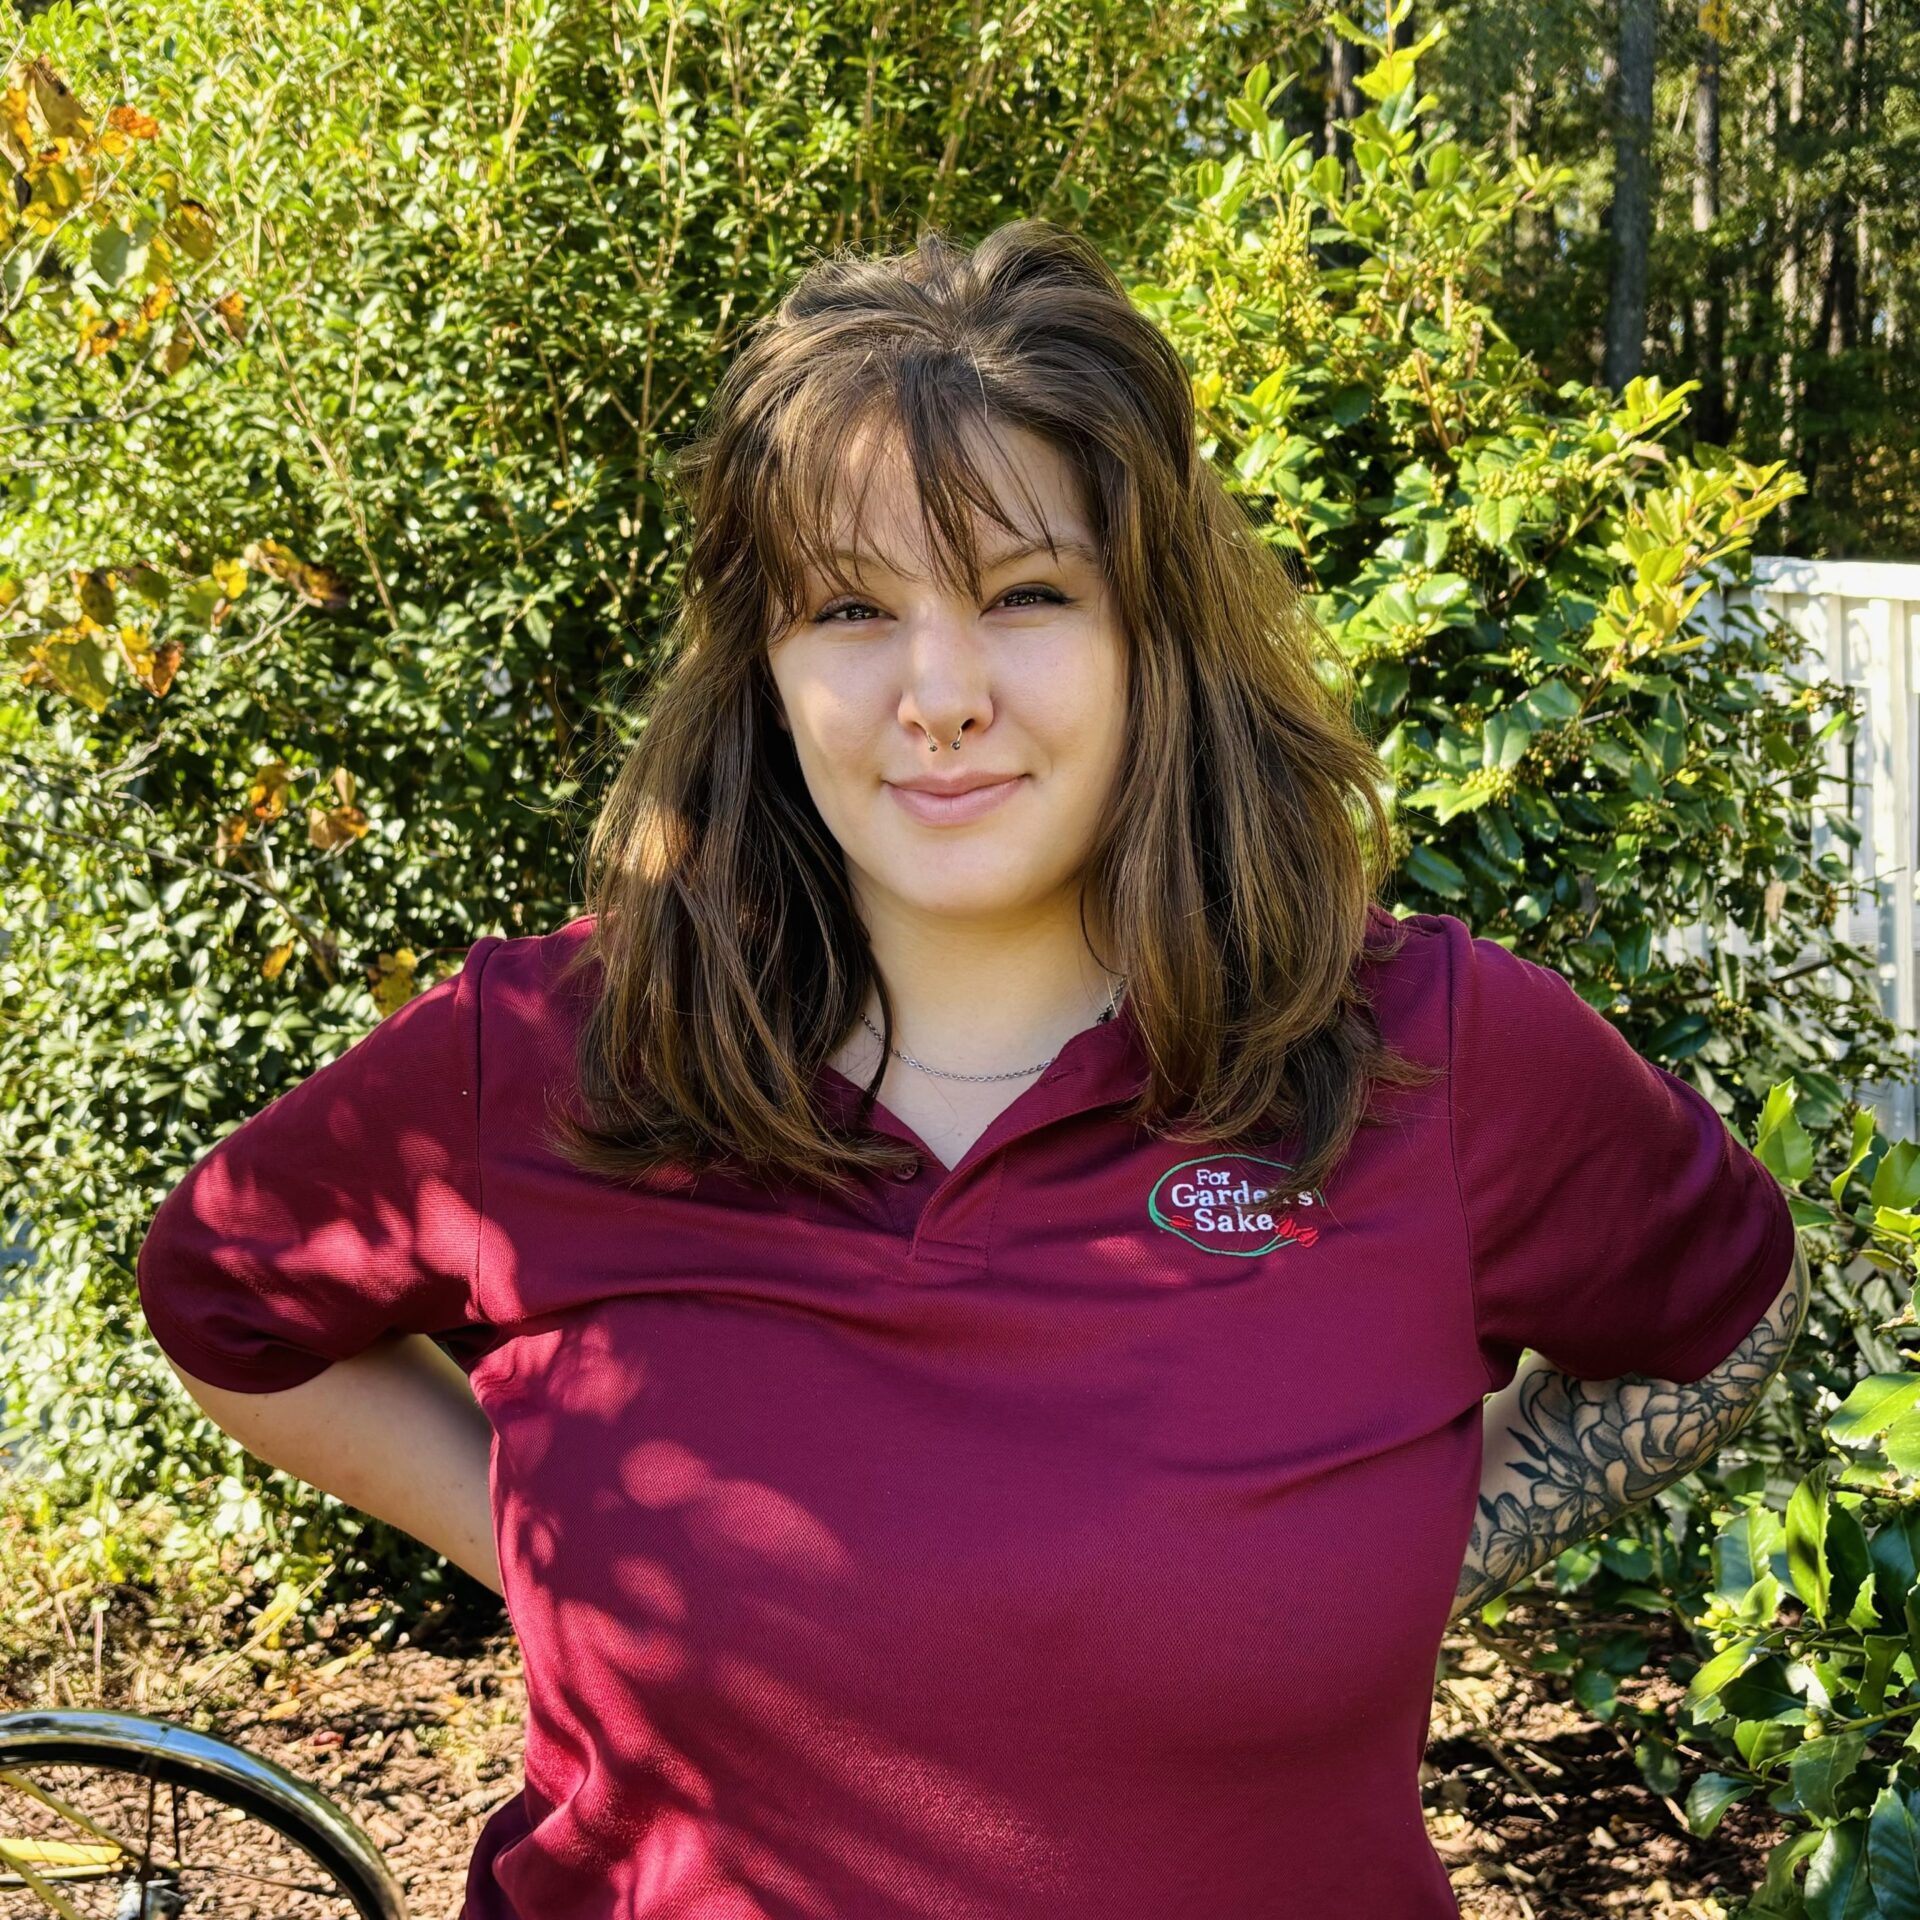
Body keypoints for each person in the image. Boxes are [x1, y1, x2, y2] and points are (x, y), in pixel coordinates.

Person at [135, 218, 1805, 1918]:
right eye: (851, 607)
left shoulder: (1426, 1056)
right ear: (764, 669)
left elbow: (1729, 1305)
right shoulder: (549, 1061)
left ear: (1160, 635)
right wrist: (553, 1553)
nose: (938, 693)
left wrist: (1425, 1542)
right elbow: (224, 1297)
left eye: (1026, 595)